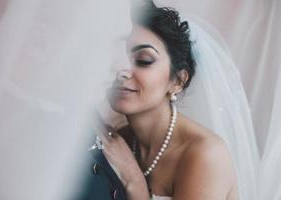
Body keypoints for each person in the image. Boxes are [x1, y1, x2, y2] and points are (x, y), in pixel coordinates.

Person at [81, 1, 259, 200]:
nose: (122, 69)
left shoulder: (205, 155)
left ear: (178, 81)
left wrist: (135, 181)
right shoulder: (118, 140)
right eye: (117, 55)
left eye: (143, 60)